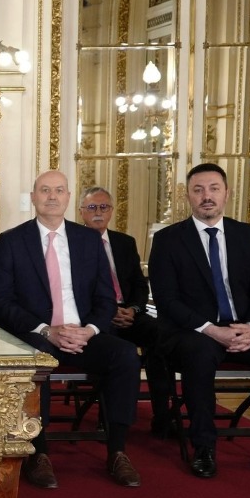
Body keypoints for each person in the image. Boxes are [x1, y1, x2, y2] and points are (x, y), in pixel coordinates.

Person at [149, 163, 250, 480]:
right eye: (198, 190)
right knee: (200, 353)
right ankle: (204, 448)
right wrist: (212, 330)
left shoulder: (246, 235)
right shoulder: (168, 239)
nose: (206, 196)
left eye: (213, 189)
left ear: (226, 194)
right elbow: (168, 301)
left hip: (242, 330)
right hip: (193, 332)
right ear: (188, 197)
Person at [0, 170, 142, 489]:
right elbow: (3, 303)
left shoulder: (88, 240)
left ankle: (117, 450)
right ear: (33, 197)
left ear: (68, 197)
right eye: (44, 190)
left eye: (59, 190)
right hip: (39, 335)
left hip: (84, 334)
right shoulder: (12, 241)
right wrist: (48, 330)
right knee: (39, 357)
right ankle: (40, 452)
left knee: (126, 355)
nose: (51, 196)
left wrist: (89, 330)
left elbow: (105, 298)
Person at [78, 186, 179, 434]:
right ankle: (110, 416)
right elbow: (74, 291)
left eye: (104, 207)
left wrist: (133, 309)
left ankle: (162, 415)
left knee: (159, 335)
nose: (98, 212)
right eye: (92, 207)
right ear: (81, 212)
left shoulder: (125, 242)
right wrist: (107, 311)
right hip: (96, 317)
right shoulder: (73, 244)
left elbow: (138, 284)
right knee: (114, 346)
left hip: (129, 313)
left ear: (112, 211)